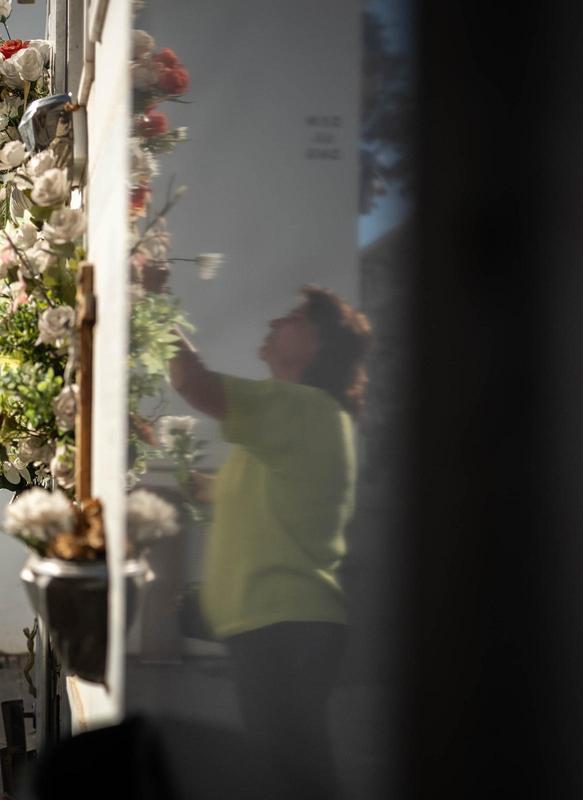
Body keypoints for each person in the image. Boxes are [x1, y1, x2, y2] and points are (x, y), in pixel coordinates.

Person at [169, 285, 372, 800]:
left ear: (320, 346)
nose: (276, 321)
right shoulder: (291, 429)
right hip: (279, 627)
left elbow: (195, 382)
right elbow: (214, 490)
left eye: (295, 318)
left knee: (293, 773)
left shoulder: (308, 408)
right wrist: (159, 448)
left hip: (287, 627)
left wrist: (152, 306)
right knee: (292, 768)